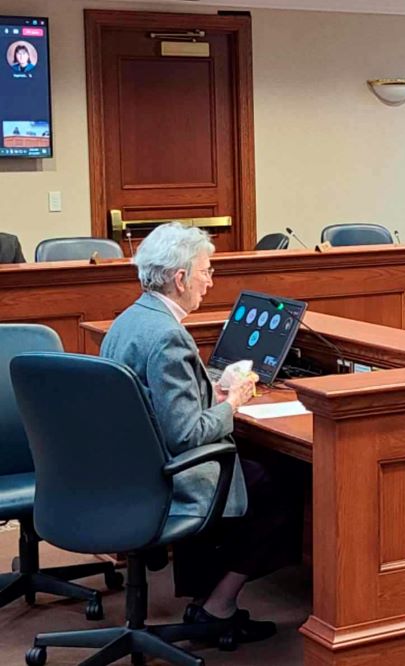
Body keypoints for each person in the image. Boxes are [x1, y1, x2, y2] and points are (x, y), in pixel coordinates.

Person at [100, 223, 294, 644]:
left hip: (126, 471)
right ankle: (217, 606)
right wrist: (233, 401)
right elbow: (187, 434)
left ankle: (204, 595)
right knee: (282, 482)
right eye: (206, 270)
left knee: (254, 468)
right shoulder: (169, 336)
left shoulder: (130, 319)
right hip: (164, 475)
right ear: (181, 277)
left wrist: (209, 389)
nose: (210, 281)